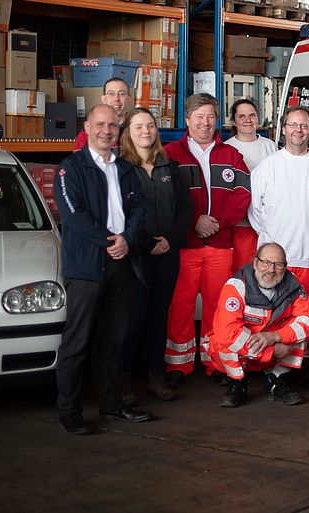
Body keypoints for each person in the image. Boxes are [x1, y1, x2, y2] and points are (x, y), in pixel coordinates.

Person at [53, 104, 148, 434]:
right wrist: (110, 240)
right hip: (86, 268)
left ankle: (111, 405)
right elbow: (73, 216)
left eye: (112, 125)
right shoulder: (71, 168)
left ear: (119, 129)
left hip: (121, 264)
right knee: (76, 343)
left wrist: (127, 240)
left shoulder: (125, 169)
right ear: (87, 126)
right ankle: (69, 411)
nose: (106, 130)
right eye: (100, 124)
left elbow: (138, 210)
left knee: (112, 341)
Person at [164, 93, 251, 387]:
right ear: (187, 120)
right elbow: (166, 199)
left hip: (220, 244)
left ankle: (216, 362)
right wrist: (194, 221)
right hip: (185, 246)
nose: (204, 122)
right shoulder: (171, 154)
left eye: (210, 117)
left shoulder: (231, 155)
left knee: (218, 307)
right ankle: (179, 366)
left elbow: (243, 194)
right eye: (198, 117)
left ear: (217, 120)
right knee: (181, 305)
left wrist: (218, 223)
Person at [118, 108, 193, 404]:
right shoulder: (122, 169)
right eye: (139, 126)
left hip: (168, 253)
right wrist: (147, 242)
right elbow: (121, 214)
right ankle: (124, 380)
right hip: (136, 255)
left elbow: (186, 208)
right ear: (128, 132)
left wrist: (169, 240)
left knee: (159, 318)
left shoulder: (169, 167)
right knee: (133, 318)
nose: (146, 131)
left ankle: (155, 376)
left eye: (150, 125)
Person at [209, 242, 309, 407]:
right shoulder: (236, 287)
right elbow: (228, 333)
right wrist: (272, 350)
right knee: (221, 339)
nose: (271, 269)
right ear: (255, 263)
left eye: (278, 264)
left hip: (274, 349)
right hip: (246, 355)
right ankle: (237, 385)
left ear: (285, 267)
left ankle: (277, 381)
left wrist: (275, 336)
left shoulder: (293, 286)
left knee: (299, 329)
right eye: (265, 263)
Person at [250, 106, 309, 307]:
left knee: (306, 322)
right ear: (283, 129)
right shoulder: (267, 166)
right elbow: (255, 212)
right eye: (293, 125)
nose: (299, 130)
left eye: (304, 125)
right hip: (273, 264)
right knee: (271, 320)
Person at [224, 98, 277, 274]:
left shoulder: (270, 147)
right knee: (243, 272)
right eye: (242, 116)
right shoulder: (226, 148)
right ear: (233, 120)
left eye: (252, 115)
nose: (248, 120)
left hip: (267, 222)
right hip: (240, 224)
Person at [73, 78, 133, 151]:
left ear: (129, 99)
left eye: (122, 94)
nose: (116, 98)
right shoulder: (86, 136)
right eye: (111, 93)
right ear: (103, 99)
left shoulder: (137, 131)